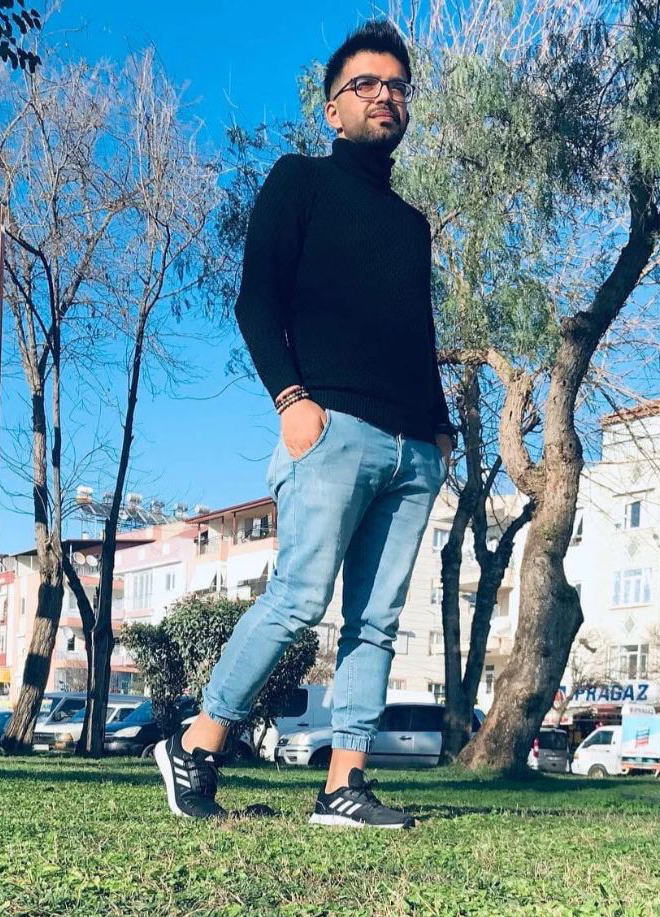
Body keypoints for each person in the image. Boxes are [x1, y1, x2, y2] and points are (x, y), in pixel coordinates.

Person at [154, 18, 457, 829]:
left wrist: (441, 431)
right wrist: (292, 401)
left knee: (377, 621)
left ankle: (343, 785)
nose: (385, 96)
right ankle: (196, 742)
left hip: (412, 449)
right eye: (367, 84)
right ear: (333, 109)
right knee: (296, 599)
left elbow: (417, 332)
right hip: (330, 429)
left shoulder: (412, 225)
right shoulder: (300, 181)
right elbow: (257, 297)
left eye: (398, 86)